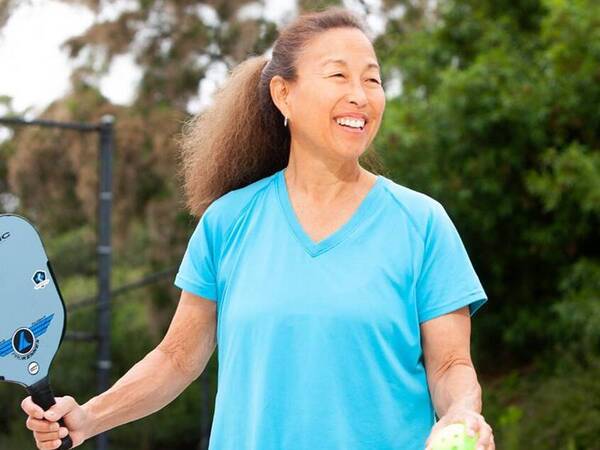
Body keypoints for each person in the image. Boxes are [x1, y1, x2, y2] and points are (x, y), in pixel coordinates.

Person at [21, 7, 495, 450]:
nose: (361, 94)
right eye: (339, 76)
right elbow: (175, 359)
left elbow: (452, 366)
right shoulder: (227, 223)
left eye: (373, 79)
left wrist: (461, 413)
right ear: (283, 94)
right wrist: (88, 417)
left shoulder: (422, 222)